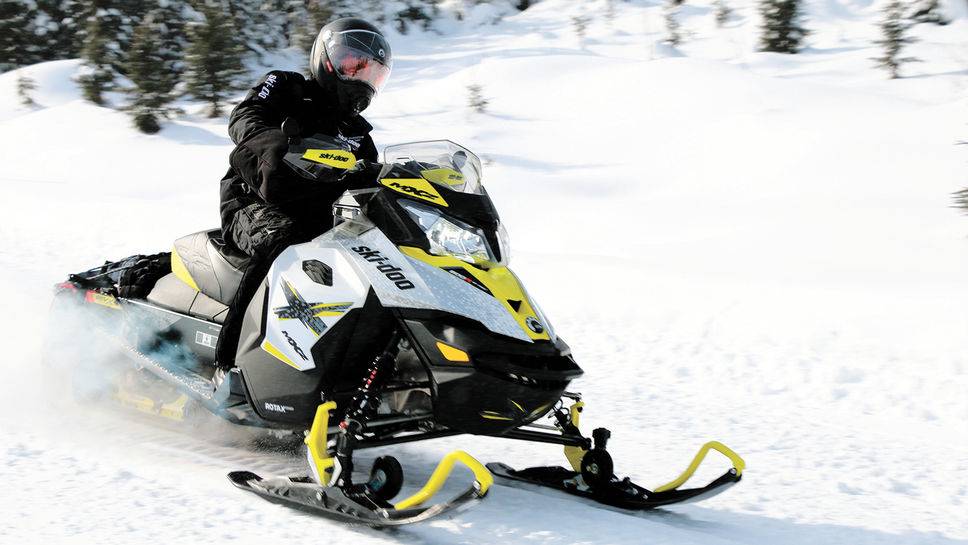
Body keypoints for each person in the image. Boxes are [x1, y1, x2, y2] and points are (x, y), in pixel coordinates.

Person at [214, 17, 393, 371]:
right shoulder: (286, 87)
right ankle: (231, 364)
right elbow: (244, 116)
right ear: (326, 59)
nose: (359, 77)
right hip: (254, 202)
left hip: (323, 220)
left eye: (370, 72)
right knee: (282, 242)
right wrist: (279, 145)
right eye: (352, 64)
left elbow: (370, 183)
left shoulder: (359, 136)